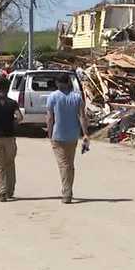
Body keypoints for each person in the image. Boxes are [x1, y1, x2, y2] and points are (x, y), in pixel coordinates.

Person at [46, 74, 89, 204]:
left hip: (58, 135)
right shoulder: (76, 97)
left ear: (59, 83)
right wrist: (85, 133)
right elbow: (82, 116)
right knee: (69, 165)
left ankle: (67, 192)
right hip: (72, 135)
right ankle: (68, 189)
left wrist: (49, 133)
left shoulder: (53, 96)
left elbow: (49, 118)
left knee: (64, 165)